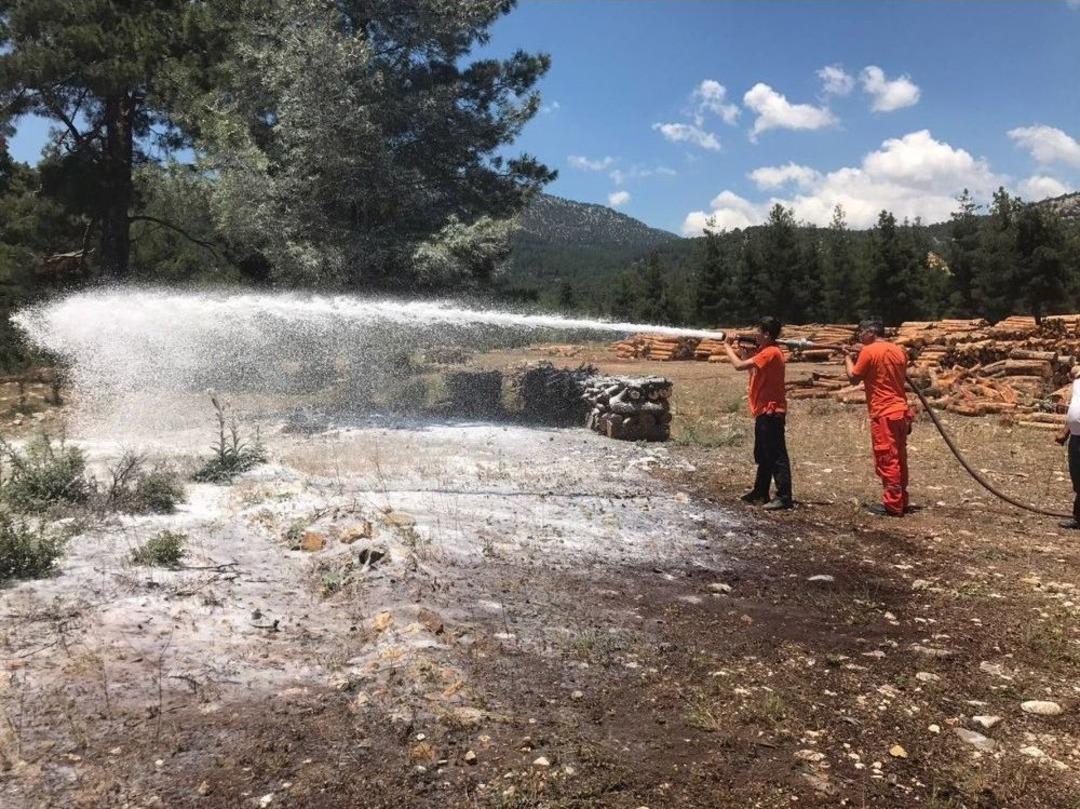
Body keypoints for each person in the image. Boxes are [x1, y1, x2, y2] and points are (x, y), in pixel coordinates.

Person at [722, 316, 793, 510]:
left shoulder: (770, 352)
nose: (756, 336)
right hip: (763, 410)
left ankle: (784, 496)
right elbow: (753, 372)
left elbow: (738, 366)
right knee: (764, 454)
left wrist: (727, 346)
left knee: (777, 455)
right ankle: (760, 491)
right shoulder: (766, 352)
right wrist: (745, 354)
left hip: (771, 411)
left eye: (759, 332)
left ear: (767, 334)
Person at [845, 318, 914, 517]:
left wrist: (848, 359)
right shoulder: (899, 351)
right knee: (900, 458)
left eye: (861, 332)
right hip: (901, 412)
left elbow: (854, 377)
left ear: (871, 332)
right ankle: (902, 500)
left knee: (887, 458)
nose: (859, 335)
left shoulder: (869, 351)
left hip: (884, 413)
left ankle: (893, 505)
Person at [1054, 365, 1080, 529]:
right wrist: (1066, 431)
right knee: (1078, 479)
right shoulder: (1077, 381)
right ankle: (1079, 518)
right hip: (1077, 437)